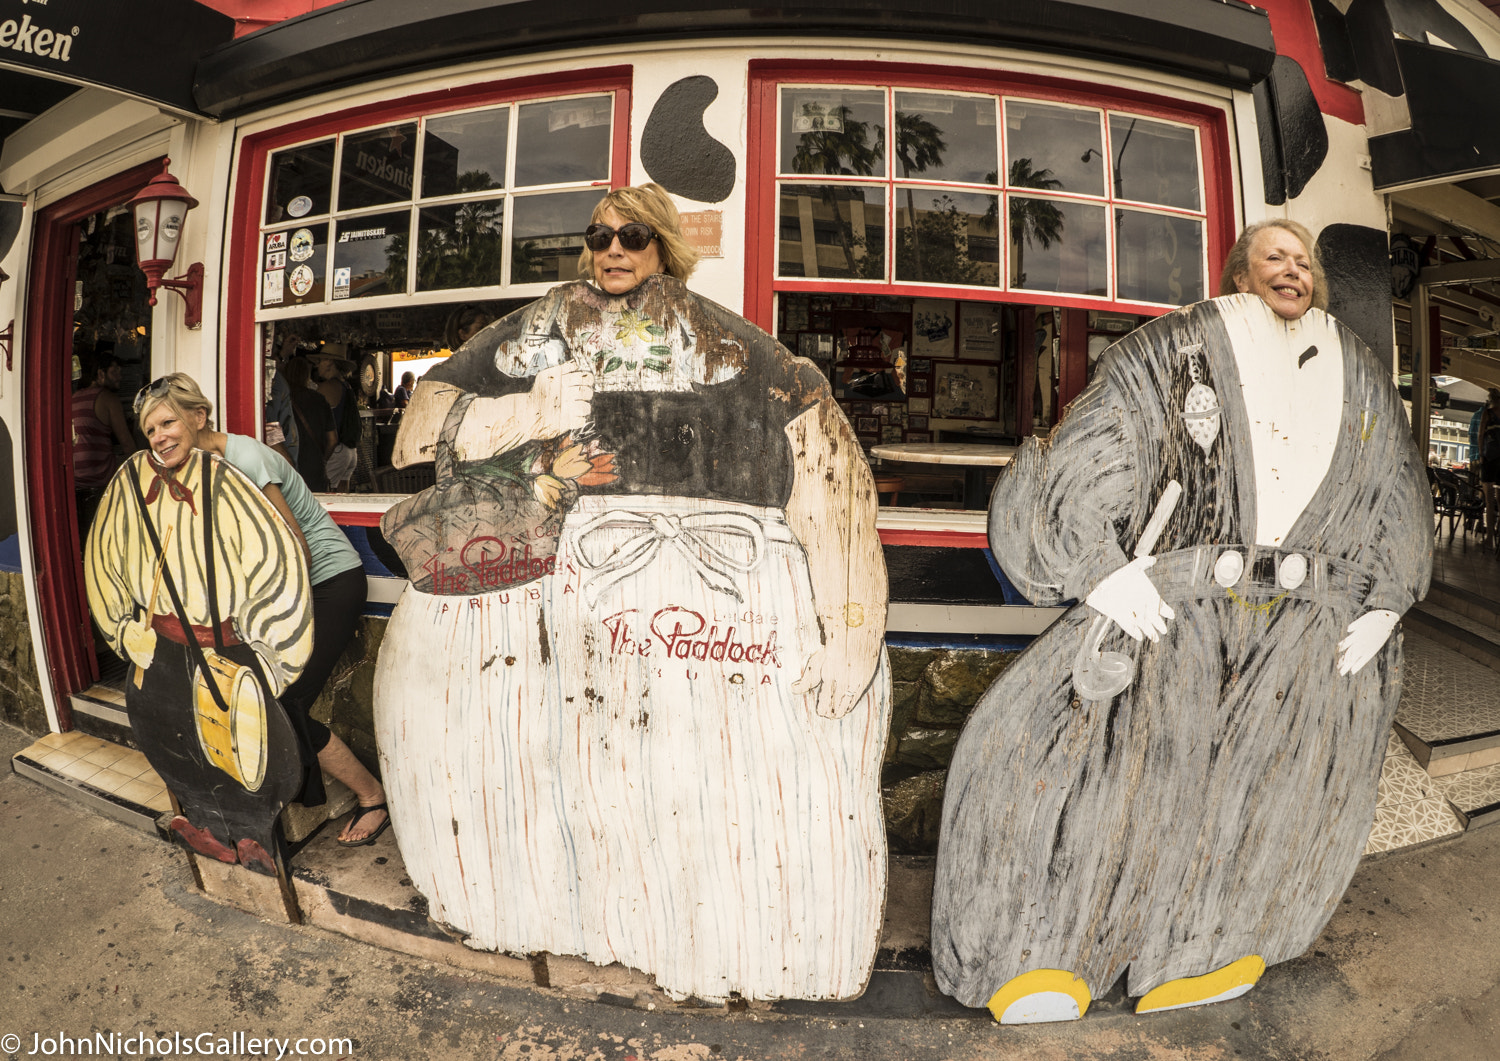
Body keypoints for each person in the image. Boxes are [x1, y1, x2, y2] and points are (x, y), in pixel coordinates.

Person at [376, 184, 890, 1002]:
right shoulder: (535, 333)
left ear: (664, 246)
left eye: (634, 235)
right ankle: (568, 927)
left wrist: (851, 625)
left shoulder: (734, 346)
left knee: (720, 805)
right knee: (558, 795)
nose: (613, 249)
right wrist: (526, 413)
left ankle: (734, 953)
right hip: (563, 593)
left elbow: (831, 473)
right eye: (599, 235)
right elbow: (416, 429)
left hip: (721, 610)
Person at [930, 219, 1432, 1022]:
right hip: (1178, 609)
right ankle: (1041, 953)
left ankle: (1203, 950)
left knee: (1255, 793)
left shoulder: (1360, 374)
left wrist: (1389, 595)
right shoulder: (1174, 351)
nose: (1292, 270)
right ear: (1240, 274)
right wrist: (1098, 567)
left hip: (1305, 629)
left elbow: (1396, 483)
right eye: (1274, 257)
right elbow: (1092, 445)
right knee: (1109, 778)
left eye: (1303, 261)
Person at [91, 374, 388, 849]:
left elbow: (294, 551)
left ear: (198, 417)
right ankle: (291, 806)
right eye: (149, 430)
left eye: (168, 422)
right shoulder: (190, 471)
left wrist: (275, 628)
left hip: (329, 582)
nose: (159, 437)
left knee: (281, 704)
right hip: (280, 598)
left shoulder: (244, 456)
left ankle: (372, 797)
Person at [72, 350, 138, 529]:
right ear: (100, 373)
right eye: (114, 371)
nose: (120, 377)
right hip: (100, 482)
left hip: (76, 482)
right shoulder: (109, 398)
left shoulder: (74, 398)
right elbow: (127, 444)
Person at [282, 356, 334, 492]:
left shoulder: (281, 401)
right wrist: (322, 460)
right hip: (314, 468)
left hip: (288, 467)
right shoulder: (319, 399)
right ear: (307, 376)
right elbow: (333, 440)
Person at [310, 351, 359, 491]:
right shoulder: (346, 386)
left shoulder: (328, 387)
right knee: (342, 497)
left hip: (336, 450)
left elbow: (312, 414)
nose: (317, 365)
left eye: (320, 361)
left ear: (329, 362)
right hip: (349, 451)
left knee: (326, 494)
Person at [1477, 388, 1500, 547]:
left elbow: (1480, 435)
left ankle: (1490, 540)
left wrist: (1481, 455)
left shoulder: (1488, 413)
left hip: (1490, 460)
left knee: (1489, 501)